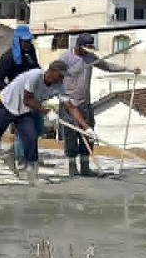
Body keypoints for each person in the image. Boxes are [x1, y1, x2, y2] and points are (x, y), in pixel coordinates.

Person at [0, 61, 72, 188]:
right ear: (52, 71)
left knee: (31, 137)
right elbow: (27, 100)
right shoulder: (36, 75)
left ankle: (33, 176)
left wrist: (86, 128)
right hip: (5, 106)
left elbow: (70, 106)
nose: (62, 78)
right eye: (60, 75)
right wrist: (47, 112)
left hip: (24, 112)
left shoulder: (58, 86)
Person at [59, 33, 140, 177]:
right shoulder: (65, 58)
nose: (87, 50)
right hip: (68, 103)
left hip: (84, 103)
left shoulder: (90, 58)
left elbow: (107, 65)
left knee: (88, 133)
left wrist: (128, 69)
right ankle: (72, 167)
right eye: (85, 47)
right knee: (70, 135)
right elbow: (55, 74)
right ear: (78, 45)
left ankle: (85, 167)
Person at [0, 25, 41, 173]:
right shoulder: (8, 58)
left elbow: (36, 69)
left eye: (29, 41)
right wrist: (10, 92)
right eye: (24, 41)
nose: (27, 43)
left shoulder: (31, 52)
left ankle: (12, 153)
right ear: (17, 40)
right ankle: (22, 162)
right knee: (25, 131)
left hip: (31, 96)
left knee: (36, 130)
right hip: (16, 100)